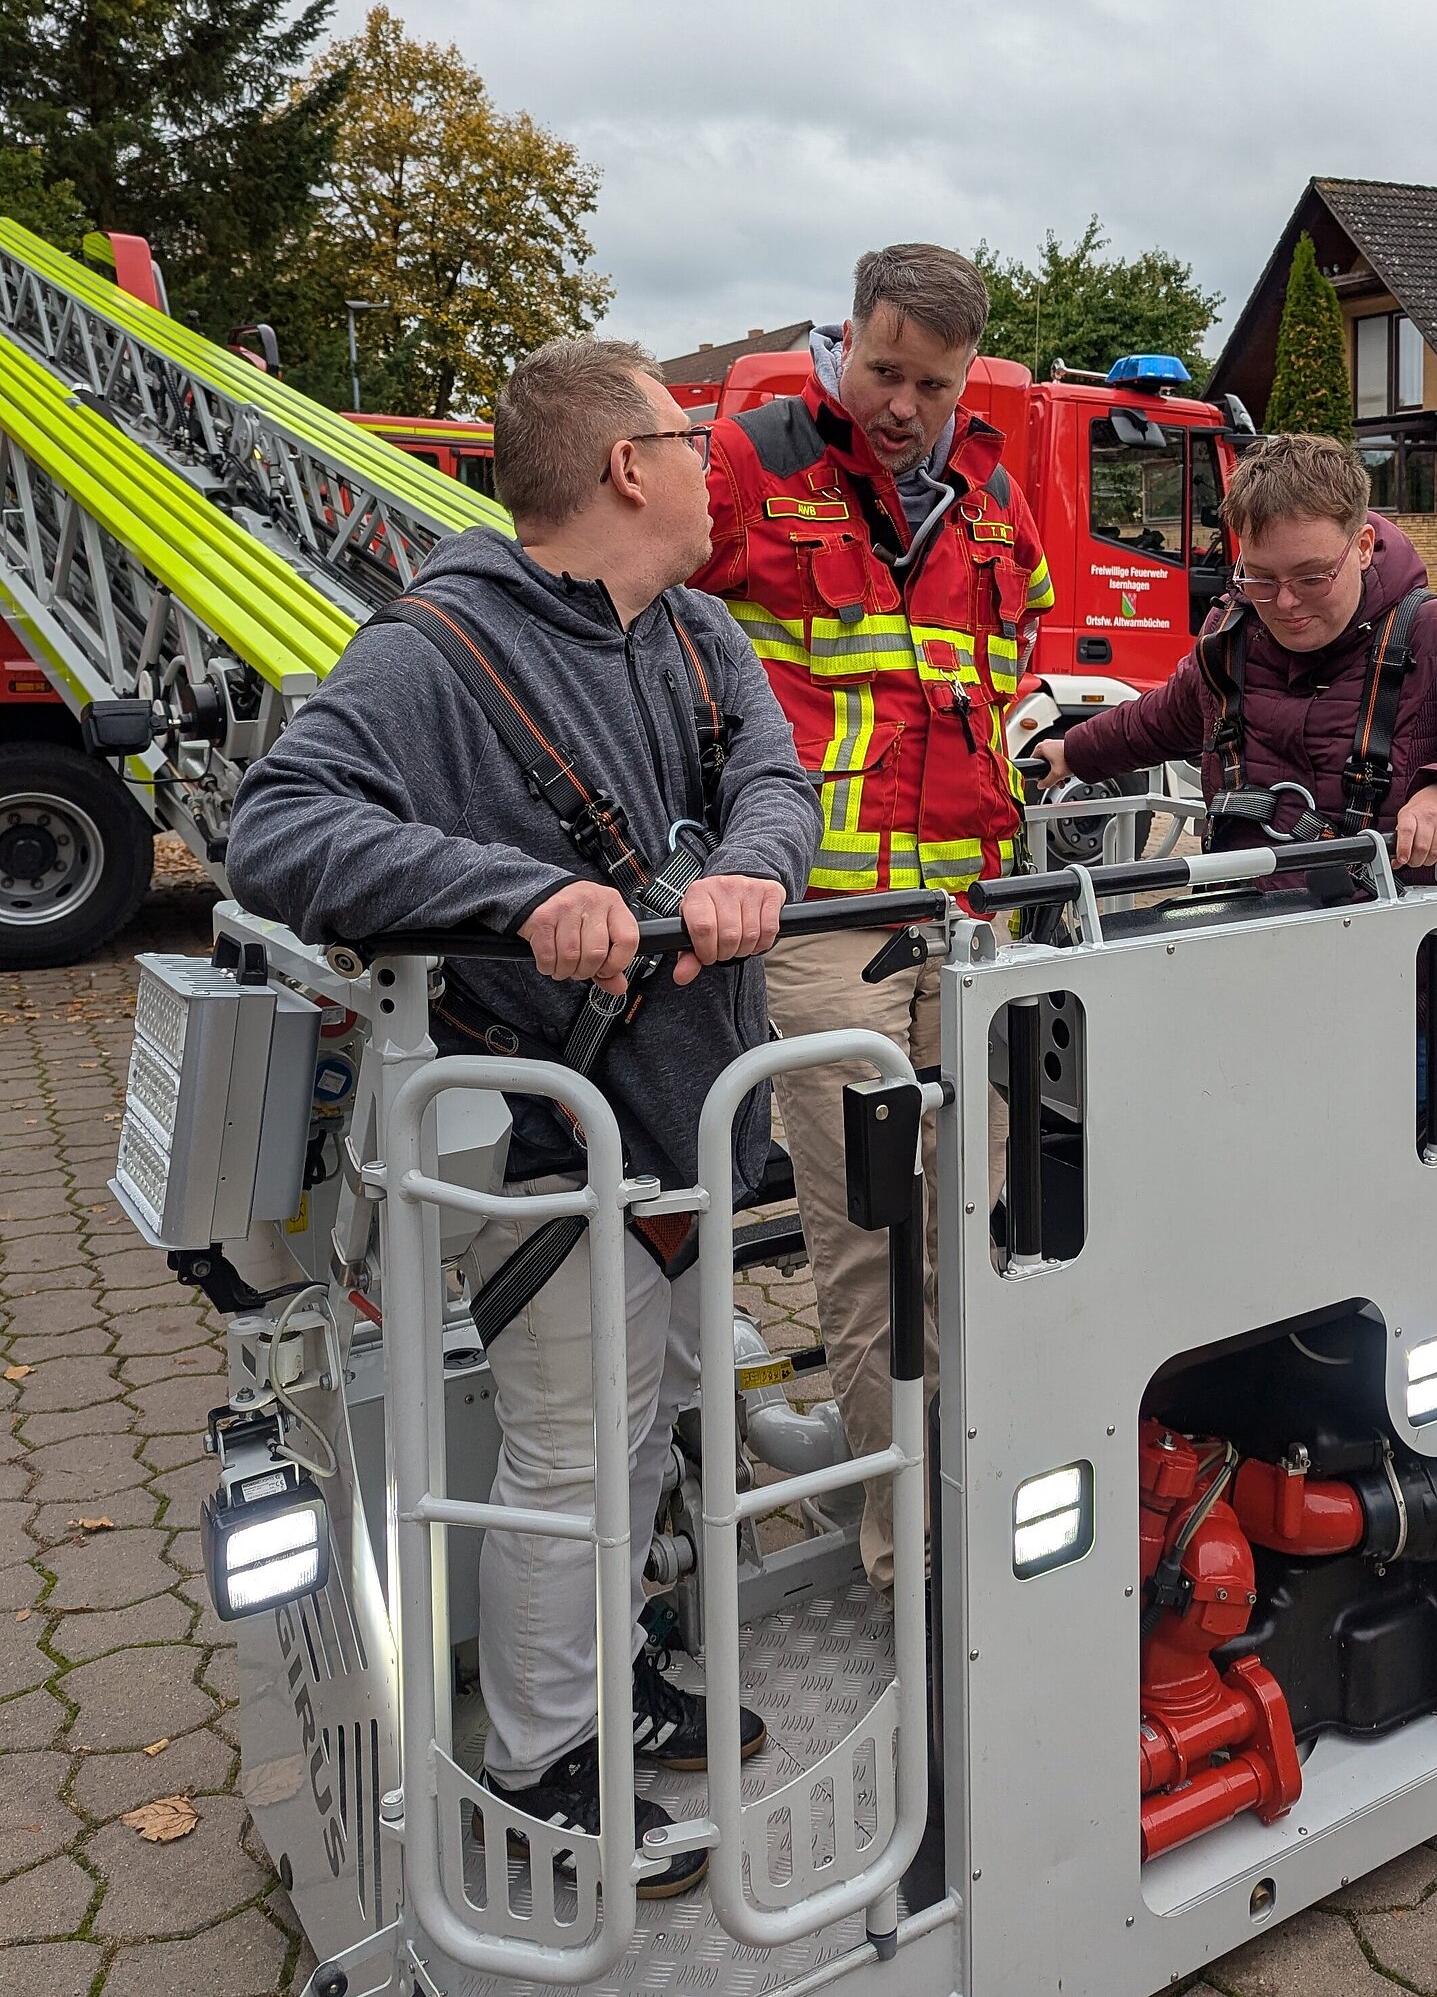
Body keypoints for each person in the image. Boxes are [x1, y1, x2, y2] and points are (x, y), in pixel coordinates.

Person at [228, 336, 822, 1896]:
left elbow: (778, 778)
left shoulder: (698, 634)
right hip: (560, 1145)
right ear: (628, 465)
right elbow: (276, 832)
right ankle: (544, 1774)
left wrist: (758, 863)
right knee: (579, 1459)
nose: (713, 459)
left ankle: (610, 1686)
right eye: (691, 435)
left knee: (637, 1448)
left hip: (696, 1128)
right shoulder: (435, 649)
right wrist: (525, 894)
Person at [691, 244, 1052, 1591]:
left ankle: (976, 1480)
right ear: (842, 338)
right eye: (882, 367)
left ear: (969, 377)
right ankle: (916, 1559)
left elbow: (1003, 675)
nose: (901, 403)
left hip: (962, 916)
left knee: (986, 1219)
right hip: (822, 925)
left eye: (932, 382)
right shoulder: (743, 466)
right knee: (876, 1235)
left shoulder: (997, 498)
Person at [1037, 431, 1437, 870]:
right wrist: (1074, 751)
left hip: (1403, 972)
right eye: (1259, 577)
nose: (1284, 604)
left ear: (1361, 548)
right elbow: (1160, 719)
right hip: (1248, 941)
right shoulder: (1229, 638)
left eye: (1311, 578)